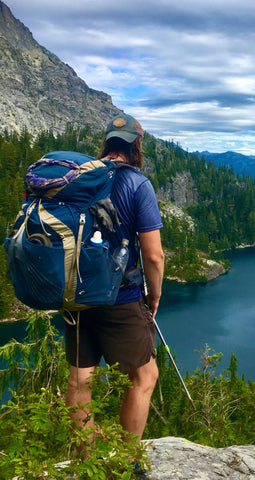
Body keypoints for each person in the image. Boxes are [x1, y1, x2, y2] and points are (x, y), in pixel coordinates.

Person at [64, 114, 164, 477]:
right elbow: (153, 254)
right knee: (144, 377)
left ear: (107, 143)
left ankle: (86, 465)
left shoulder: (78, 178)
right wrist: (154, 296)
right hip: (120, 298)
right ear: (137, 145)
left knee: (80, 379)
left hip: (74, 295)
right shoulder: (137, 184)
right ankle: (127, 463)